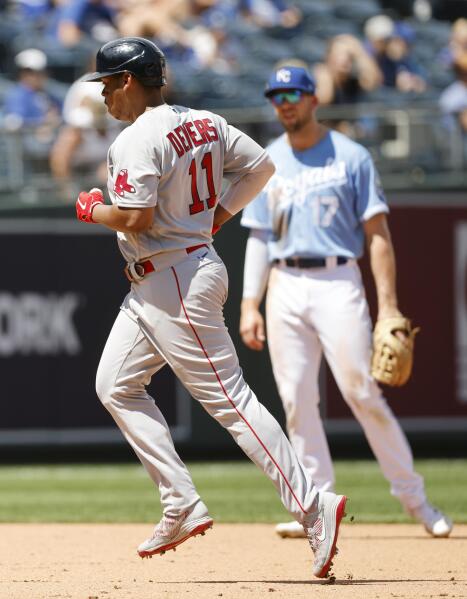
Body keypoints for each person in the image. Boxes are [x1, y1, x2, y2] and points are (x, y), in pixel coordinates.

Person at [74, 36, 348, 579]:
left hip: (174, 277)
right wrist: (217, 215)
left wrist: (91, 208)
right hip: (170, 275)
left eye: (107, 83)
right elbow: (262, 167)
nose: (104, 94)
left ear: (129, 80)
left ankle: (313, 506)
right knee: (115, 385)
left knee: (231, 401)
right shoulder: (205, 121)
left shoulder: (135, 139)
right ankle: (180, 502)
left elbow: (135, 218)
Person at [239, 65, 453, 540]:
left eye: (293, 92)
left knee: (361, 392)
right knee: (296, 400)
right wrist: (250, 302)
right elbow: (257, 237)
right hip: (285, 282)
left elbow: (378, 235)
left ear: (314, 99)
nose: (284, 101)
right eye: (276, 94)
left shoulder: (351, 156)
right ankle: (315, 505)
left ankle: (416, 500)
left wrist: (390, 306)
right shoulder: (267, 161)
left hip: (338, 278)